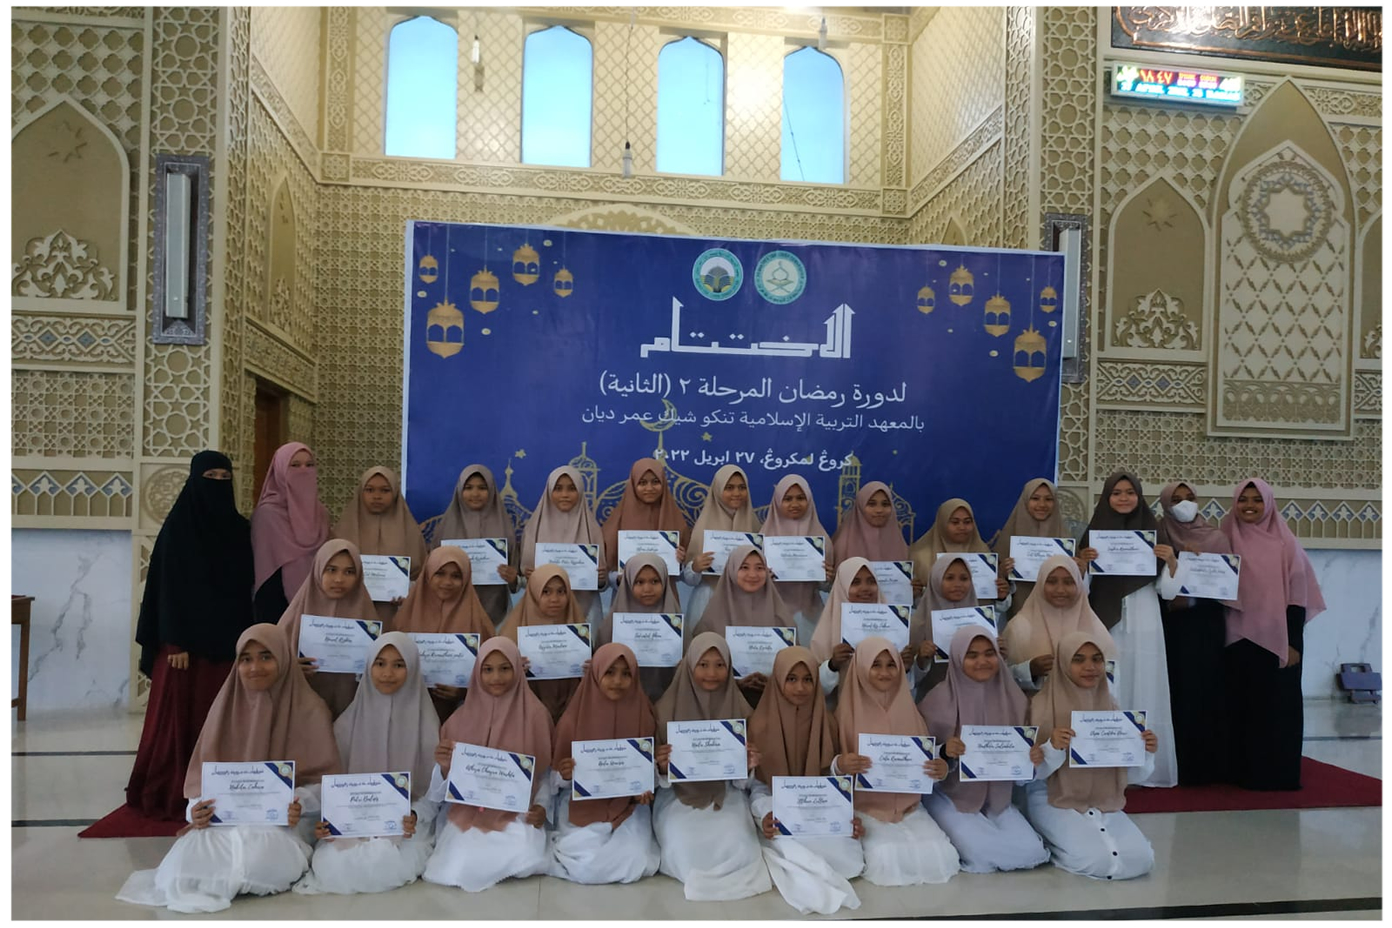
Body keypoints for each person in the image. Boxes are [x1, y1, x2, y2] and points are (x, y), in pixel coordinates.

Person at [116, 625, 340, 913]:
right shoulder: (224, 709)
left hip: (283, 827)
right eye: (246, 659)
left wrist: (299, 803)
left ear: (284, 659)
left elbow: (325, 783)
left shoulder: (310, 710)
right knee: (181, 868)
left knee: (258, 857)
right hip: (224, 822)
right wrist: (196, 810)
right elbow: (201, 779)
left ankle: (229, 878)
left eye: (266, 657)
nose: (255, 667)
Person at [117, 452, 255, 826]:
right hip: (185, 651)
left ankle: (226, 796)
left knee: (221, 722)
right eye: (210, 476)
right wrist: (175, 641)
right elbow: (166, 589)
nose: (218, 483)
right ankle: (173, 791)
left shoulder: (239, 529)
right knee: (180, 724)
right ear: (194, 479)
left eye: (225, 476)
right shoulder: (180, 528)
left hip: (227, 646)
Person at [295, 633, 440, 895]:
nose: (387, 673)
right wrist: (324, 816)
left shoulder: (427, 727)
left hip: (406, 824)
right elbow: (328, 784)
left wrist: (415, 815)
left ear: (413, 668)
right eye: (380, 663)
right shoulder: (346, 725)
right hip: (353, 824)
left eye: (399, 664)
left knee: (387, 862)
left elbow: (433, 793)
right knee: (334, 864)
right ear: (368, 667)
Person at [423, 638, 556, 892]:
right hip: (469, 811)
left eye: (505, 668)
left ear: (517, 669)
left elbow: (543, 774)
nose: (496, 677)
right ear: (477, 672)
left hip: (516, 811)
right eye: (488, 669)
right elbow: (444, 789)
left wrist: (541, 807)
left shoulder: (536, 715)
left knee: (523, 852)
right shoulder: (458, 720)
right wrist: (443, 766)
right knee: (458, 857)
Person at [1218, 478, 1326, 791]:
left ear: (1268, 504)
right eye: (1243, 499)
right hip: (1234, 638)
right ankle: (1238, 772)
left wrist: (1292, 643)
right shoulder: (1224, 538)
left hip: (1277, 639)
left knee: (1276, 707)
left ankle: (1278, 773)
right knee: (1239, 705)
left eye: (1257, 500)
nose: (1249, 506)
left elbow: (1298, 597)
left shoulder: (1285, 543)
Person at [1076, 471, 1182, 788]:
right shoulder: (1094, 533)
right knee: (1111, 688)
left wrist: (1171, 562)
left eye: (1130, 492)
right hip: (1104, 621)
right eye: (1116, 493)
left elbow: (1168, 592)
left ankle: (1146, 769)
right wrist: (1082, 565)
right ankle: (1106, 765)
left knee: (1145, 684)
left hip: (1146, 617)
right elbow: (1080, 590)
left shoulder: (1154, 531)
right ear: (1106, 497)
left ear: (1139, 496)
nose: (1124, 498)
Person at [1023, 632, 1157, 880]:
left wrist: (1145, 753)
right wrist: (1052, 748)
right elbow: (1027, 777)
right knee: (1095, 862)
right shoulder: (1038, 706)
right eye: (1078, 659)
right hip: (1052, 796)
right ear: (1063, 663)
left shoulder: (1112, 707)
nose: (1090, 667)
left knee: (1141, 859)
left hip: (1102, 798)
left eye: (1096, 659)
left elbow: (1132, 776)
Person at [918, 628, 1050, 873]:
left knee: (1032, 852)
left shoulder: (1015, 699)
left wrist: (1031, 760)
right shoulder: (937, 701)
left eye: (990, 653)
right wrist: (945, 752)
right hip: (950, 795)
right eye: (972, 655)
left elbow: (1021, 770)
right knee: (983, 852)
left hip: (999, 798)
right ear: (957, 657)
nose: (982, 661)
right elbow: (921, 762)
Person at [651, 632, 772, 901]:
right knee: (683, 845)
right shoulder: (662, 711)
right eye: (703, 665)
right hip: (676, 797)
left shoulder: (742, 710)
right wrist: (661, 768)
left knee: (737, 843)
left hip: (726, 793)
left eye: (720, 665)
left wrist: (747, 766)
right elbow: (653, 780)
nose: (712, 673)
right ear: (689, 665)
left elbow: (744, 782)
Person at [834, 637, 960, 886]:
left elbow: (923, 763)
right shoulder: (843, 715)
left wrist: (940, 766)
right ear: (861, 666)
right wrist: (841, 765)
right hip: (862, 807)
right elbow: (826, 768)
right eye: (876, 665)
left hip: (909, 807)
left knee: (939, 854)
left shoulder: (911, 713)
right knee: (887, 857)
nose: (884, 673)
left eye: (891, 665)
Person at [749, 646, 864, 915]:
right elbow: (757, 785)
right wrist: (766, 814)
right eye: (791, 679)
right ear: (778, 679)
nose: (800, 688)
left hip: (817, 807)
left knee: (849, 857)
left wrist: (845, 813)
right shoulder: (758, 725)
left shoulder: (827, 722)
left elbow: (829, 778)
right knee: (793, 846)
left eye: (808, 679)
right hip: (778, 805)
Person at [546, 643, 662, 884]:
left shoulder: (644, 716)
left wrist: (644, 788)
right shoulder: (573, 719)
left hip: (627, 805)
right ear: (596, 673)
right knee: (583, 859)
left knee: (635, 857)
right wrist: (565, 775)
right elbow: (555, 781)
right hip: (581, 803)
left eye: (626, 674)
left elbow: (648, 770)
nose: (617, 681)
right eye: (609, 672)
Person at [1155, 480, 1232, 785]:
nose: (1184, 504)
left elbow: (1226, 588)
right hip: (1170, 627)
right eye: (1176, 499)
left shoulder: (1216, 537)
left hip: (1205, 626)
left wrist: (1192, 595)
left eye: (1189, 497)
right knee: (1176, 690)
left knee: (1206, 690)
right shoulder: (1157, 535)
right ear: (1165, 504)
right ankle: (1178, 764)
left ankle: (1207, 765)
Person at [276, 539, 380, 718]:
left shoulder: (368, 617)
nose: (339, 579)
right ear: (318, 570)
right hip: (303, 711)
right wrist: (288, 669)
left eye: (349, 572)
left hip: (353, 711)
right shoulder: (293, 618)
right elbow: (273, 664)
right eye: (331, 570)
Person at [392, 546, 496, 722]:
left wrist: (464, 691)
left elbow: (492, 673)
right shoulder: (404, 618)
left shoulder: (479, 622)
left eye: (456, 576)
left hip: (460, 717)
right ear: (427, 574)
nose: (447, 582)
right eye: (440, 573)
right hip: (405, 713)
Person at [690, 545, 795, 704]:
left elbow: (794, 668)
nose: (752, 574)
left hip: (774, 701)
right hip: (722, 702)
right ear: (732, 570)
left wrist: (775, 682)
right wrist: (732, 683)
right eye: (744, 567)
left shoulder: (781, 616)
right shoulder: (712, 618)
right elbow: (698, 669)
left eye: (759, 568)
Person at [1001, 555, 1113, 693]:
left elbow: (1110, 680)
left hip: (1085, 705)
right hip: (1033, 705)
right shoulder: (1019, 627)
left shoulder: (1095, 628)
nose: (1060, 589)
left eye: (1068, 582)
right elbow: (1000, 677)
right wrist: (1029, 670)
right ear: (1041, 583)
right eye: (1052, 582)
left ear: (1078, 585)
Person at [333, 466, 428, 625]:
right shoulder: (344, 530)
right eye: (370, 490)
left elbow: (422, 574)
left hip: (396, 612)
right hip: (350, 611)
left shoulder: (410, 532)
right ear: (360, 492)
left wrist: (409, 591)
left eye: (385, 490)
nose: (377, 496)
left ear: (395, 493)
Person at [809, 557, 911, 705]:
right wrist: (832, 665)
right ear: (842, 586)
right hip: (841, 710)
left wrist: (906, 667)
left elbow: (908, 686)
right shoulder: (826, 632)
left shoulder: (895, 624)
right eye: (855, 582)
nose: (865, 588)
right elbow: (814, 688)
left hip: (886, 708)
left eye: (871, 581)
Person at [431, 465, 520, 627]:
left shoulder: (504, 528)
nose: (475, 493)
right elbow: (431, 574)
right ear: (459, 490)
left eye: (482, 488)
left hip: (496, 611)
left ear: (492, 490)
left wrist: (513, 578)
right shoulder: (445, 529)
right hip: (451, 612)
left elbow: (516, 580)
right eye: (468, 487)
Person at [251, 442, 330, 623]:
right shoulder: (267, 514)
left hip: (318, 601)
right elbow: (264, 570)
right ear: (280, 470)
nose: (303, 470)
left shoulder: (321, 513)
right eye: (294, 465)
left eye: (309, 465)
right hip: (276, 605)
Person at [498, 563, 586, 722]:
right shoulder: (510, 635)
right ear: (533, 592)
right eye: (546, 592)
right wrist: (511, 669)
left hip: (572, 711)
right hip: (526, 715)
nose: (554, 599)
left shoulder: (580, 627)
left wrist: (592, 670)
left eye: (561, 591)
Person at [520, 466, 608, 624]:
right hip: (541, 612)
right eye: (558, 488)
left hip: (586, 613)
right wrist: (529, 576)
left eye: (572, 488)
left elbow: (601, 581)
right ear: (549, 491)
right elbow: (523, 578)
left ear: (580, 491)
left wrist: (601, 578)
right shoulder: (534, 528)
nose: (565, 495)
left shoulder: (592, 529)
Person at [595, 552, 683, 702]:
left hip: (668, 697)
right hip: (621, 698)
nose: (647, 589)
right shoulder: (612, 623)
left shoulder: (674, 618)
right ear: (628, 582)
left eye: (655, 581)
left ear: (665, 581)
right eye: (639, 582)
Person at [681, 465, 760, 628]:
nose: (736, 493)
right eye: (729, 488)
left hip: (746, 601)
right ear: (717, 490)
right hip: (707, 599)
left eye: (742, 487)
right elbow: (689, 579)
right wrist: (695, 567)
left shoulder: (755, 526)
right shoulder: (703, 527)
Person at [759, 475, 835, 644]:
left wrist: (827, 579)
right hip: (771, 615)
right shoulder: (763, 538)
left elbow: (825, 587)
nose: (795, 504)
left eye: (801, 498)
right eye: (787, 499)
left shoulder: (821, 539)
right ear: (777, 501)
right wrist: (761, 578)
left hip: (811, 615)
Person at [908, 554, 989, 700]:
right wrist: (921, 660)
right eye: (950, 578)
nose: (957, 584)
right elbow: (908, 680)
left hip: (975, 698)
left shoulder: (982, 621)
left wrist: (998, 653)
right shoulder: (917, 624)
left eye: (964, 578)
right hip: (930, 699)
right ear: (936, 579)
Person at [830, 482, 924, 599]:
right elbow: (831, 590)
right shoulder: (841, 545)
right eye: (871, 504)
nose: (879, 510)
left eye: (885, 504)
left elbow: (908, 593)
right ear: (860, 506)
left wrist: (913, 591)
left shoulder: (901, 545)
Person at [600, 457, 691, 577]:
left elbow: (687, 576)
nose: (649, 488)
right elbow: (606, 572)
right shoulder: (616, 522)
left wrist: (680, 563)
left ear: (663, 483)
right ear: (633, 484)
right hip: (625, 588)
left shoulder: (677, 521)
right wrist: (618, 580)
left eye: (655, 482)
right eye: (642, 483)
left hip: (666, 587)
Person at [991, 478, 1065, 618]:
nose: (1042, 504)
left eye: (1048, 499)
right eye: (1035, 498)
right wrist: (1003, 573)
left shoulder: (1065, 537)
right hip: (1018, 613)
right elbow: (997, 592)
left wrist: (1078, 570)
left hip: (1058, 614)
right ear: (1025, 501)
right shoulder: (1008, 536)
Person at [909, 498, 1007, 602]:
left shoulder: (983, 552)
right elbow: (913, 606)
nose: (962, 527)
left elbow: (998, 606)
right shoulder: (920, 556)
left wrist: (1001, 595)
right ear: (942, 523)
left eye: (967, 522)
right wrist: (913, 594)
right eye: (955, 522)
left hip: (978, 612)